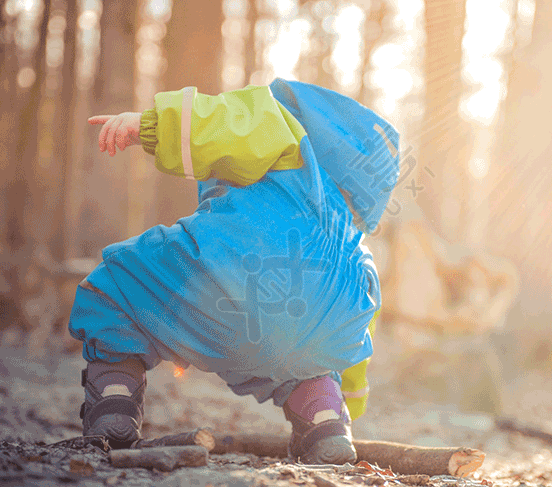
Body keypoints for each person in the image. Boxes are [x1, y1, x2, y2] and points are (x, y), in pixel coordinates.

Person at [68, 78, 400, 464]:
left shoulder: (287, 132)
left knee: (118, 285)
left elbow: (226, 123)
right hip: (303, 335)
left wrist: (148, 126)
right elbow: (358, 334)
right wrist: (351, 400)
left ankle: (114, 402)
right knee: (310, 356)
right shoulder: (356, 249)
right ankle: (325, 418)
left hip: (233, 278)